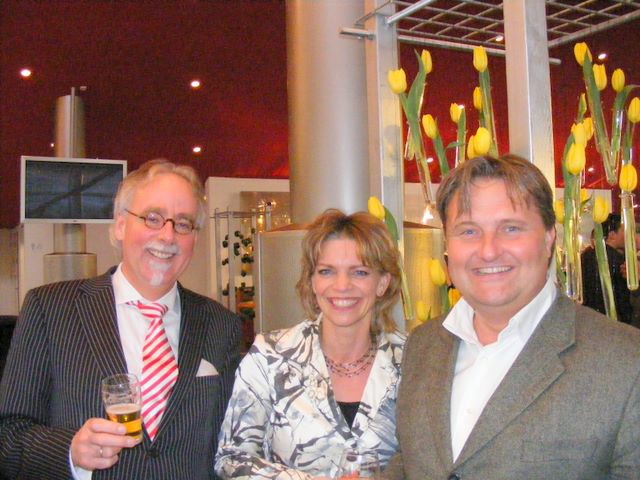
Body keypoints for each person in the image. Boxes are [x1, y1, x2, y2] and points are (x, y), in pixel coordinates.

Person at [383, 155, 640, 479]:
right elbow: (410, 464)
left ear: (549, 238)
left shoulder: (626, 361)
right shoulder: (422, 346)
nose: (488, 250)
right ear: (447, 244)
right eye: (468, 231)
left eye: (511, 228)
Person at [0, 159, 242, 479]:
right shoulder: (50, 309)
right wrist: (71, 451)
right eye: (152, 218)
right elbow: (8, 436)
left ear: (194, 239)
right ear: (120, 225)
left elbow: (231, 447)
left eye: (183, 224)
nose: (167, 236)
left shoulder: (221, 325)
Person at [215, 209, 405, 479]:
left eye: (360, 272)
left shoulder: (410, 360)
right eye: (327, 271)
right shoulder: (269, 357)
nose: (342, 285)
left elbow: (428, 459)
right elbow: (231, 458)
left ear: (382, 283)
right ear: (313, 282)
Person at [581, 213, 632, 323]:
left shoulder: (585, 256)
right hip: (612, 322)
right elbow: (623, 300)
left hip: (586, 318)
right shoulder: (620, 261)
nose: (628, 235)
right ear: (612, 235)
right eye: (624, 231)